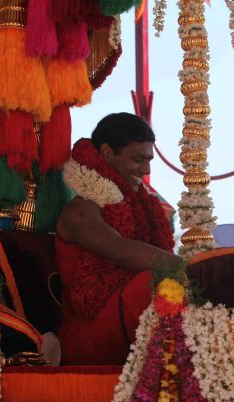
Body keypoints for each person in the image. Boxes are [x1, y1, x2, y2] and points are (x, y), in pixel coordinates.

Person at [56, 113, 178, 365]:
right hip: (87, 336)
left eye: (149, 161)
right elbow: (118, 250)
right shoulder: (81, 209)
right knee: (152, 283)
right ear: (107, 153)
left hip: (121, 319)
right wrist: (188, 269)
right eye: (137, 159)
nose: (146, 170)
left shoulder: (140, 207)